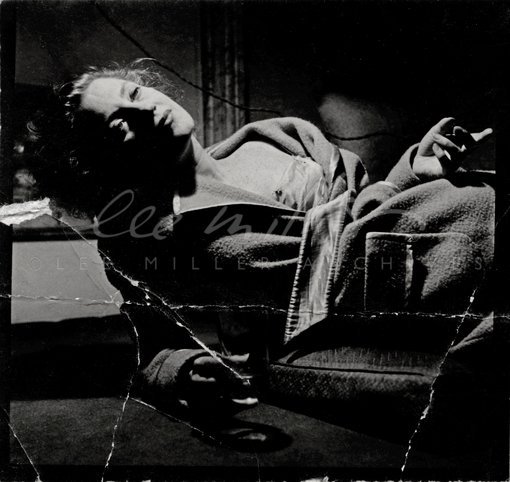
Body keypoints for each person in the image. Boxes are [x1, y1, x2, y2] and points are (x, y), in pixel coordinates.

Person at [28, 61, 494, 417]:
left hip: (435, 237)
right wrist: (184, 369)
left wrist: (413, 172)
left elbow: (363, 212)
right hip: (383, 305)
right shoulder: (145, 238)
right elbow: (151, 345)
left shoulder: (272, 139)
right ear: (106, 164)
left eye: (134, 92)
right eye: (118, 125)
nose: (143, 109)